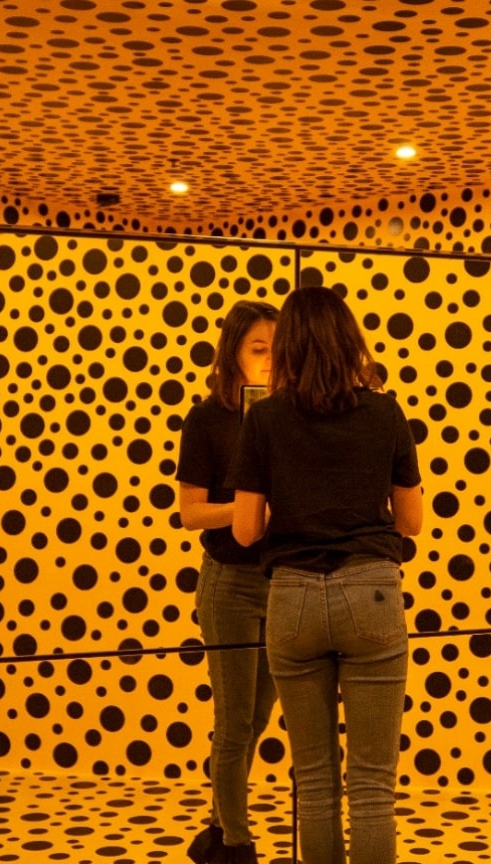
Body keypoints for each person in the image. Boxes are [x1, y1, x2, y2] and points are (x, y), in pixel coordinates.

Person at [229, 285, 424, 864]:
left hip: (292, 598)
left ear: (288, 345)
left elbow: (245, 530)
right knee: (372, 786)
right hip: (371, 592)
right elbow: (411, 521)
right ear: (349, 340)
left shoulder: (264, 419)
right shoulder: (386, 413)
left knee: (313, 781)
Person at [177, 300, 280, 864]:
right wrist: (248, 509)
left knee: (257, 717)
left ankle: (219, 828)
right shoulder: (207, 419)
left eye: (278, 350)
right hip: (229, 583)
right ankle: (236, 844)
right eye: (258, 349)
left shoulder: (285, 414)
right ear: (232, 352)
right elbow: (190, 513)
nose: (269, 360)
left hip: (282, 581)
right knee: (235, 720)